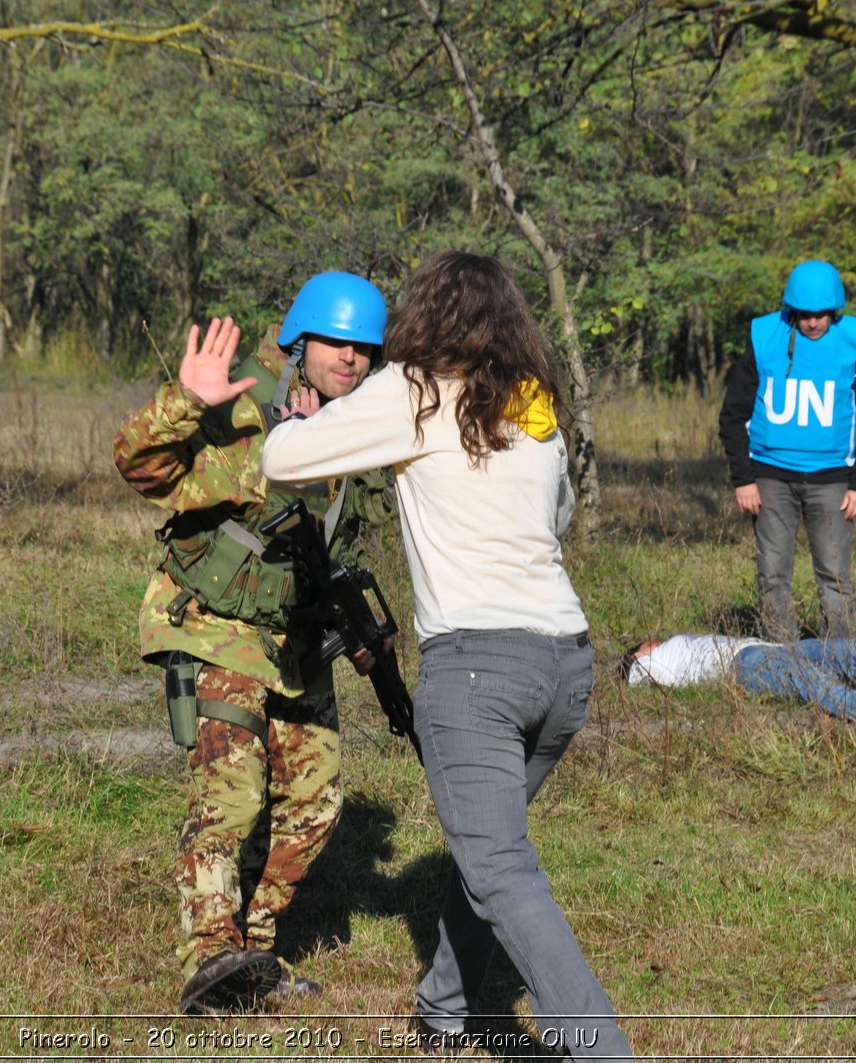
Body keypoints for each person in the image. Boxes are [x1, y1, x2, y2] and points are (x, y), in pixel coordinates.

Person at [261, 251, 633, 1060]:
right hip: (566, 663)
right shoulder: (533, 404)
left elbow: (282, 463)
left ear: (421, 317)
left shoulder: (413, 389)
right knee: (486, 845)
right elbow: (559, 515)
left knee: (500, 868)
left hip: (476, 669)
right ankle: (445, 1008)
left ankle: (603, 1050)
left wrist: (295, 424)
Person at [112, 272, 390, 1015]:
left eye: (365, 348)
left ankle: (253, 949)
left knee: (317, 798)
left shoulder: (359, 433)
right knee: (231, 794)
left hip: (296, 644)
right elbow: (137, 464)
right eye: (337, 342)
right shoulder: (239, 405)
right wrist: (185, 401)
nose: (351, 359)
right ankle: (210, 956)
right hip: (216, 627)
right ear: (302, 340)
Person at [718, 260, 856, 644]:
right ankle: (782, 658)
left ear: (834, 310)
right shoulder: (765, 337)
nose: (813, 323)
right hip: (770, 479)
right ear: (792, 309)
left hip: (833, 482)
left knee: (834, 575)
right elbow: (733, 415)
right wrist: (743, 478)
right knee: (773, 574)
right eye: (805, 315)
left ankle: (840, 658)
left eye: (821, 315)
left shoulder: (854, 343)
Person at [622, 634, 856, 726]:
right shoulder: (649, 664)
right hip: (744, 668)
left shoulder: (676, 644)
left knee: (849, 651)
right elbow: (629, 674)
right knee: (817, 685)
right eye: (644, 645)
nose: (651, 641)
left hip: (772, 649)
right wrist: (633, 661)